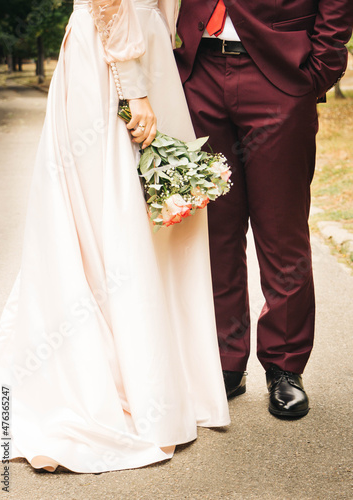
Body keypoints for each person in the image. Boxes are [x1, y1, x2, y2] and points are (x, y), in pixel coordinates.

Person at [0, 0, 230, 473]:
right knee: (113, 216)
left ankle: (161, 379)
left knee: (145, 218)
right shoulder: (126, 73)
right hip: (114, 63)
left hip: (142, 54)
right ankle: (123, 390)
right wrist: (134, 88)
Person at [175, 0, 353, 418]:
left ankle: (285, 366)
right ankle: (225, 361)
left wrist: (321, 69)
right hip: (196, 71)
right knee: (214, 230)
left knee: (281, 231)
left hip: (279, 74)